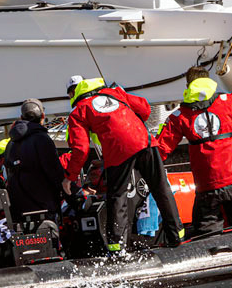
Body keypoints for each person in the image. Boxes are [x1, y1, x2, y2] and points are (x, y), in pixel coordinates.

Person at [155, 40, 232, 234]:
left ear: (188, 86)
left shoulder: (179, 117)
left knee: (207, 236)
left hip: (207, 189)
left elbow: (160, 150)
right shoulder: (227, 103)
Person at [64, 75, 183, 251]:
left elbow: (80, 149)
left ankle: (117, 248)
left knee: (117, 197)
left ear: (74, 95)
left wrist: (70, 177)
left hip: (118, 151)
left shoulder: (79, 111)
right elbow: (144, 109)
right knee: (160, 188)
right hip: (145, 142)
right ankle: (177, 236)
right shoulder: (115, 93)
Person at [4, 99, 64, 225]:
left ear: (21, 117)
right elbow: (55, 173)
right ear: (42, 116)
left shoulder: (11, 143)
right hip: (43, 210)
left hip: (18, 210)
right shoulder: (42, 139)